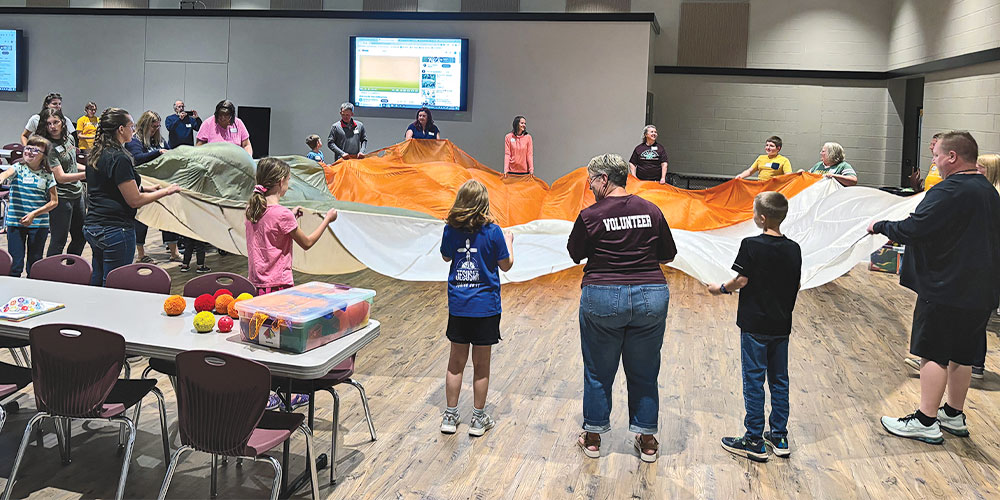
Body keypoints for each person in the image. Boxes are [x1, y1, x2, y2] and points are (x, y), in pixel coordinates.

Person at [869, 131, 1000, 444]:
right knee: (963, 354)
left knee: (934, 353)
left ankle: (925, 420)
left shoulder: (950, 189)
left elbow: (915, 228)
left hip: (945, 288)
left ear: (952, 156)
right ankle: (953, 414)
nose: (935, 161)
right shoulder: (987, 190)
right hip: (980, 290)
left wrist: (880, 226)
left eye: (937, 155)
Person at [567, 153, 677, 463]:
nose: (589, 187)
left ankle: (592, 438)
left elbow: (575, 253)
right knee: (644, 370)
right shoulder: (652, 211)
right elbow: (668, 255)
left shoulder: (591, 215)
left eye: (591, 181)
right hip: (651, 295)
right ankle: (648, 440)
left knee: (598, 371)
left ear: (603, 180)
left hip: (602, 295)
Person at [708, 192, 801, 462]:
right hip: (781, 324)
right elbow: (795, 285)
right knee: (779, 379)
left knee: (754, 381)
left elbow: (742, 281)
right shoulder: (794, 248)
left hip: (754, 324)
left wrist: (721, 289)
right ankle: (779, 435)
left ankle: (753, 439)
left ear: (761, 218)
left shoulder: (751, 244)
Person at [245, 157, 339, 409]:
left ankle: (264, 394)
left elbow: (273, 228)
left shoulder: (253, 209)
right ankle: (281, 395)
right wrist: (327, 220)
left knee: (262, 344)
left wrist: (291, 217)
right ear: (280, 183)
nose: (288, 185)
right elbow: (307, 242)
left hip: (256, 287)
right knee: (280, 346)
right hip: (279, 289)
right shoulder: (281, 214)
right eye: (287, 181)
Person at [438, 180, 514, 437]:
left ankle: (450, 416)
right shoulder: (494, 232)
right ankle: (478, 420)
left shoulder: (451, 229)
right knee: (481, 365)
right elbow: (506, 265)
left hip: (459, 305)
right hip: (486, 307)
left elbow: (447, 256)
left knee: (455, 363)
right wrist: (510, 241)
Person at [84, 108, 180, 286]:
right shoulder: (120, 158)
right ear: (121, 129)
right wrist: (167, 191)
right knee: (114, 282)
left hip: (94, 226)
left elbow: (110, 186)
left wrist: (148, 188)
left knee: (97, 278)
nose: (133, 130)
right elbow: (134, 200)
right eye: (131, 126)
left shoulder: (95, 155)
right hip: (115, 229)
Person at [1, 136, 58, 277]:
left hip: (39, 224)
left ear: (43, 156)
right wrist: (1, 177)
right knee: (15, 264)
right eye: (28, 148)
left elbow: (54, 201)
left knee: (34, 264)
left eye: (35, 150)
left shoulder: (47, 175)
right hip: (15, 222)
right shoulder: (18, 168)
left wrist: (34, 214)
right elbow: (6, 173)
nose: (29, 152)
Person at [36, 108, 87, 257]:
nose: (52, 126)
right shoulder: (48, 147)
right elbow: (61, 177)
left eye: (55, 122)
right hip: (61, 197)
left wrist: (91, 169)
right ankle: (52, 274)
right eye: (49, 124)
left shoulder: (69, 139)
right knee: (59, 240)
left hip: (77, 194)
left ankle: (71, 268)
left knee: (81, 236)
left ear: (62, 123)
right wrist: (88, 174)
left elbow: (72, 164)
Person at [125, 111, 171, 264]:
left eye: (158, 127)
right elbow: (137, 158)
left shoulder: (160, 140)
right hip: (143, 184)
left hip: (159, 183)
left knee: (167, 216)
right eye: (153, 127)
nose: (155, 130)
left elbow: (169, 152)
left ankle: (174, 251)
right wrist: (158, 152)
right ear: (145, 125)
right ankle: (141, 254)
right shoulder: (134, 141)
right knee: (142, 219)